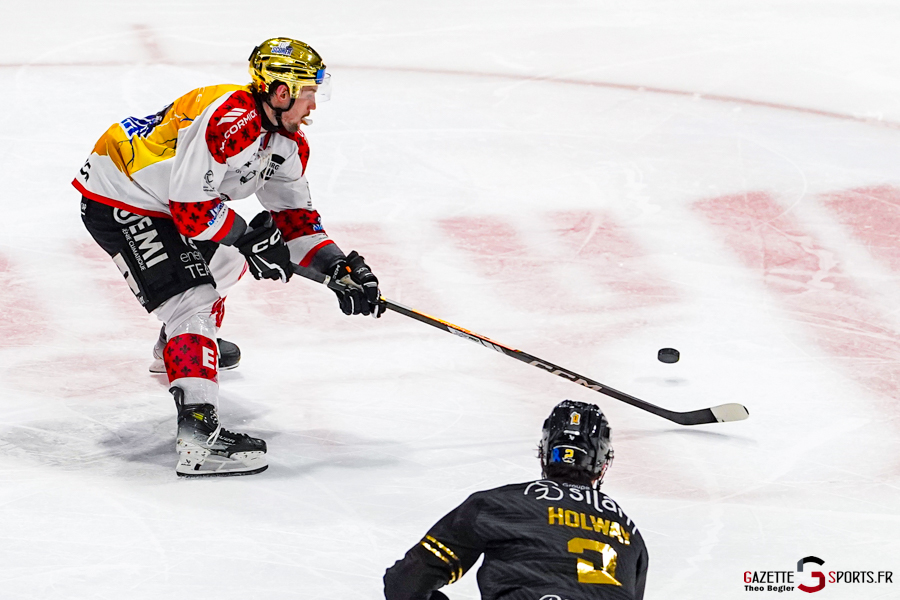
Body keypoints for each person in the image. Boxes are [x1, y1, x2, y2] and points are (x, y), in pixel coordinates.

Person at [74, 37, 384, 477]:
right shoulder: (228, 118)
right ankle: (199, 438)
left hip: (166, 202)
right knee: (193, 300)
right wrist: (248, 237)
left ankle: (179, 349)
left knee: (226, 262)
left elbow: (294, 220)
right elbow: (191, 210)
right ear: (282, 92)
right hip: (122, 197)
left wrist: (335, 267)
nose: (314, 105)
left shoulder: (286, 142)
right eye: (310, 93)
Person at [384, 400, 648, 600]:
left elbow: (404, 583)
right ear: (601, 466)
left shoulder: (498, 504)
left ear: (544, 455)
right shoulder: (631, 534)